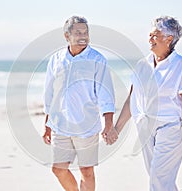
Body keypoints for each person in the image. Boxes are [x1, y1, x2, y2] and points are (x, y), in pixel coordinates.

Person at [110, 16, 182, 191]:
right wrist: (116, 129)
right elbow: (132, 99)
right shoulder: (142, 65)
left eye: (155, 35)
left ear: (169, 39)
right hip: (145, 127)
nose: (150, 39)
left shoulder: (179, 65)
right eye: (150, 35)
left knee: (158, 178)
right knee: (159, 178)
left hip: (171, 128)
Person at [42, 16, 118, 191]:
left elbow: (106, 95)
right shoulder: (56, 59)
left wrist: (108, 125)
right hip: (60, 126)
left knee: (86, 171)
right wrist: (47, 124)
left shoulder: (97, 59)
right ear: (67, 36)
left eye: (86, 32)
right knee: (58, 169)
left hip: (86, 126)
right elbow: (49, 94)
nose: (83, 36)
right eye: (78, 33)